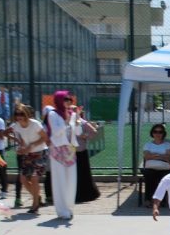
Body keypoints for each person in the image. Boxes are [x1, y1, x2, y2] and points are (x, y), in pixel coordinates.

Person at [46, 91, 81, 220]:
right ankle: (61, 210)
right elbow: (55, 131)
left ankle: (69, 207)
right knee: (59, 180)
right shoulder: (53, 114)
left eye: (69, 99)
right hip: (57, 151)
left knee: (71, 181)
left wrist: (77, 120)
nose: (68, 102)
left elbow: (78, 131)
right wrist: (65, 121)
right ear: (59, 100)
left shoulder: (72, 114)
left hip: (70, 150)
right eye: (65, 99)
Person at [6, 104, 48, 213]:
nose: (19, 116)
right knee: (23, 179)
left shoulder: (35, 124)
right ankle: (37, 197)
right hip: (28, 153)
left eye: (21, 114)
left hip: (40, 153)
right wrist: (22, 148)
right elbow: (23, 140)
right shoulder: (17, 126)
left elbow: (45, 138)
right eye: (17, 114)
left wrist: (32, 146)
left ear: (26, 114)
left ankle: (35, 205)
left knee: (34, 178)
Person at [71, 104, 100, 203]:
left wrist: (85, 137)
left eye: (75, 111)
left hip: (81, 151)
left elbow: (93, 131)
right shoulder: (67, 123)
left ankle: (87, 194)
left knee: (83, 174)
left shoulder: (82, 123)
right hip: (69, 152)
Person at [142, 124, 170, 208]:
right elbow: (146, 156)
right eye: (155, 132)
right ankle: (148, 200)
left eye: (160, 132)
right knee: (150, 176)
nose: (158, 134)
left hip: (164, 167)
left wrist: (154, 155)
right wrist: (162, 156)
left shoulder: (168, 144)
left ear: (163, 133)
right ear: (152, 133)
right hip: (151, 167)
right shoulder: (148, 144)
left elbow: (169, 156)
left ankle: (162, 200)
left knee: (164, 178)